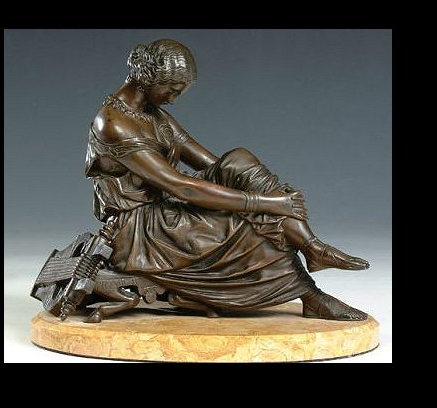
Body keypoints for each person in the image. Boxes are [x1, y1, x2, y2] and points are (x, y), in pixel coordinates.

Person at [85, 38, 369, 321]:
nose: (173, 98)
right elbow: (179, 186)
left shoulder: (154, 116)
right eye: (171, 90)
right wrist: (263, 203)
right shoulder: (114, 123)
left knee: (239, 160)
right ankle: (312, 294)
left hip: (168, 208)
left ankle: (312, 247)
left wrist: (259, 191)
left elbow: (214, 164)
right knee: (244, 225)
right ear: (148, 79)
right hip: (141, 227)